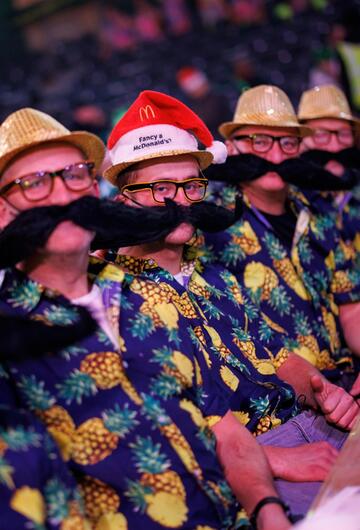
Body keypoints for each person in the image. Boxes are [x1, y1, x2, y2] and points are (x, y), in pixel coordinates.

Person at [0, 107, 292, 529]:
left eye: (74, 175)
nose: (62, 195)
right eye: (34, 184)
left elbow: (224, 430)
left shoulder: (141, 299)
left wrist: (268, 511)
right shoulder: (13, 341)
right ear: (4, 213)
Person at [101, 89, 357, 517]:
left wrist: (323, 389)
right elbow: (149, 434)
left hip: (313, 427)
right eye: (160, 187)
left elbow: (276, 357)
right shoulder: (112, 294)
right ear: (123, 198)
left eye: (190, 186)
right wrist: (272, 459)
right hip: (249, 467)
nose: (179, 201)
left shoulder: (215, 274)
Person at [203, 85, 360, 383]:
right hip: (282, 403)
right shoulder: (210, 226)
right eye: (259, 141)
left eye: (287, 143)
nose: (275, 155)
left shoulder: (320, 214)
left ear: (300, 148)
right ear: (233, 146)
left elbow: (351, 304)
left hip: (346, 379)